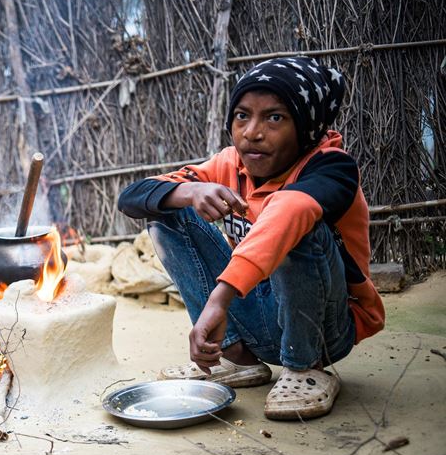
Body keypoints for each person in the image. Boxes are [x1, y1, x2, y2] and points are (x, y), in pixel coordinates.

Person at [117, 56, 384, 421]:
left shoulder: (332, 167)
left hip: (326, 327)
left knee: (298, 225)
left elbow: (288, 212)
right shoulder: (231, 165)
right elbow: (133, 196)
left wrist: (219, 297)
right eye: (242, 115)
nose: (252, 132)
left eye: (275, 118)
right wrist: (190, 193)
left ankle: (305, 369)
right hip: (260, 315)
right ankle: (236, 358)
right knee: (167, 211)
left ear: (305, 127)